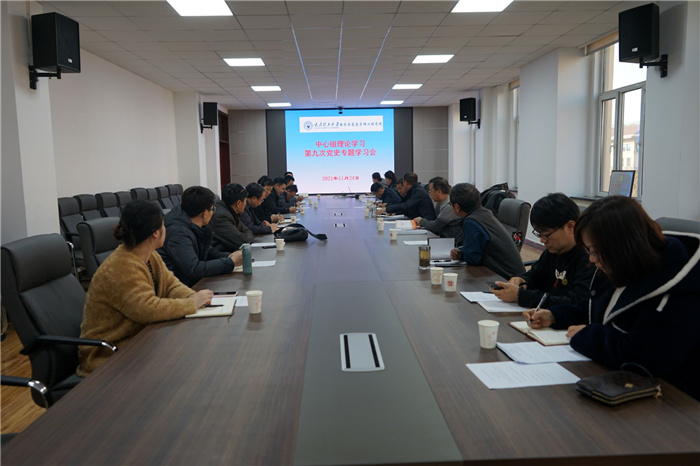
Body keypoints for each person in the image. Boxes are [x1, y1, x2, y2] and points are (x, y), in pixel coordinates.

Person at [524, 196, 700, 400]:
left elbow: (643, 357)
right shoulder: (629, 263)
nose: (591, 259)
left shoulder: (678, 288)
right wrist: (555, 315)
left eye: (595, 252)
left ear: (622, 246)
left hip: (676, 398)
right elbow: (602, 306)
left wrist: (587, 335)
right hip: (629, 383)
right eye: (589, 251)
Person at [77, 200, 214, 376]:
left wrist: (193, 297)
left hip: (139, 341)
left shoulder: (149, 255)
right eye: (163, 225)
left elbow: (171, 284)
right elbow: (148, 309)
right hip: (108, 355)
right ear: (156, 233)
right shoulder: (121, 266)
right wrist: (191, 304)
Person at [491, 193, 594, 308]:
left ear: (570, 227)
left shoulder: (590, 258)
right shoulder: (553, 251)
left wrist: (522, 296)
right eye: (539, 234)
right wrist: (522, 280)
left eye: (546, 235)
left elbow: (577, 303)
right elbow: (535, 276)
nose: (542, 240)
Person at [158, 186, 242, 287]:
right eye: (212, 209)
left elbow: (208, 251)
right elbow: (194, 269)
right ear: (205, 213)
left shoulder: (190, 221)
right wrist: (230, 262)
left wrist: (229, 257)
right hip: (179, 288)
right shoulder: (178, 233)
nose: (213, 213)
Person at [449, 183, 525, 279]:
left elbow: (472, 259)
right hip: (513, 275)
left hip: (506, 279)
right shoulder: (484, 213)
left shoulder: (472, 221)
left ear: (457, 207)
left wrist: (462, 254)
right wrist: (462, 252)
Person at [414, 177, 463, 241]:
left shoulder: (449, 205)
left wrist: (421, 221)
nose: (429, 194)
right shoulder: (440, 203)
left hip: (450, 242)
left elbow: (435, 226)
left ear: (439, 191)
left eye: (430, 191)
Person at [209, 183, 254, 252]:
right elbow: (242, 241)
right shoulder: (221, 217)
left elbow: (248, 230)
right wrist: (242, 234)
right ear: (238, 203)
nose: (245, 204)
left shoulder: (231, 211)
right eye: (245, 201)